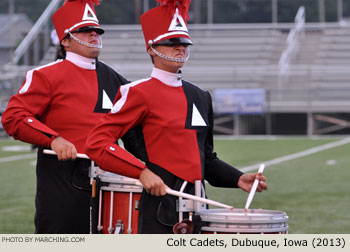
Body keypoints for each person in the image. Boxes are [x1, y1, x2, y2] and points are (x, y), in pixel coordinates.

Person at [85, 0, 267, 234]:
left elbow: (205, 159)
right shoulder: (137, 92)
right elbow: (97, 143)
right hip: (161, 210)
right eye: (172, 43)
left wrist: (238, 178)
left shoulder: (200, 96)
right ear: (151, 48)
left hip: (200, 211)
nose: (180, 48)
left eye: (183, 43)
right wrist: (141, 172)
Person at [1, 0, 136, 234]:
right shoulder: (45, 75)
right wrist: (53, 139)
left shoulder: (117, 80)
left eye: (96, 30)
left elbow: (136, 134)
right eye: (85, 30)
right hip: (61, 188)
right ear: (65, 40)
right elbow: (13, 117)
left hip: (109, 186)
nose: (94, 34)